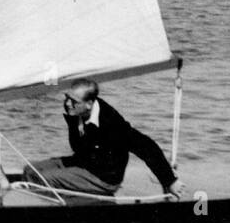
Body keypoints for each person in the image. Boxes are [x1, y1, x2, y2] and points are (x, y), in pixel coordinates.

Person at [24, 78, 187, 197]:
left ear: (89, 104)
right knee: (30, 171)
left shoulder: (111, 123)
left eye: (73, 101)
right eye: (66, 98)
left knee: (44, 179)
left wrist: (169, 181)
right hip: (84, 163)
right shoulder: (78, 110)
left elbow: (146, 146)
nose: (67, 104)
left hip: (104, 178)